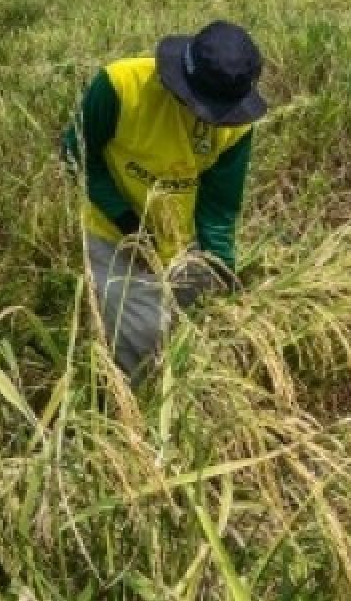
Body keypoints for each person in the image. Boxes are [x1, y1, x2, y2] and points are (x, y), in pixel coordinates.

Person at [62, 20, 267, 382]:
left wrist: (221, 266)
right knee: (140, 336)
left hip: (176, 236)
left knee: (196, 321)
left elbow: (219, 206)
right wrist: (125, 222)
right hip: (113, 230)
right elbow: (77, 155)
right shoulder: (120, 86)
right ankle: (130, 411)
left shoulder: (235, 126)